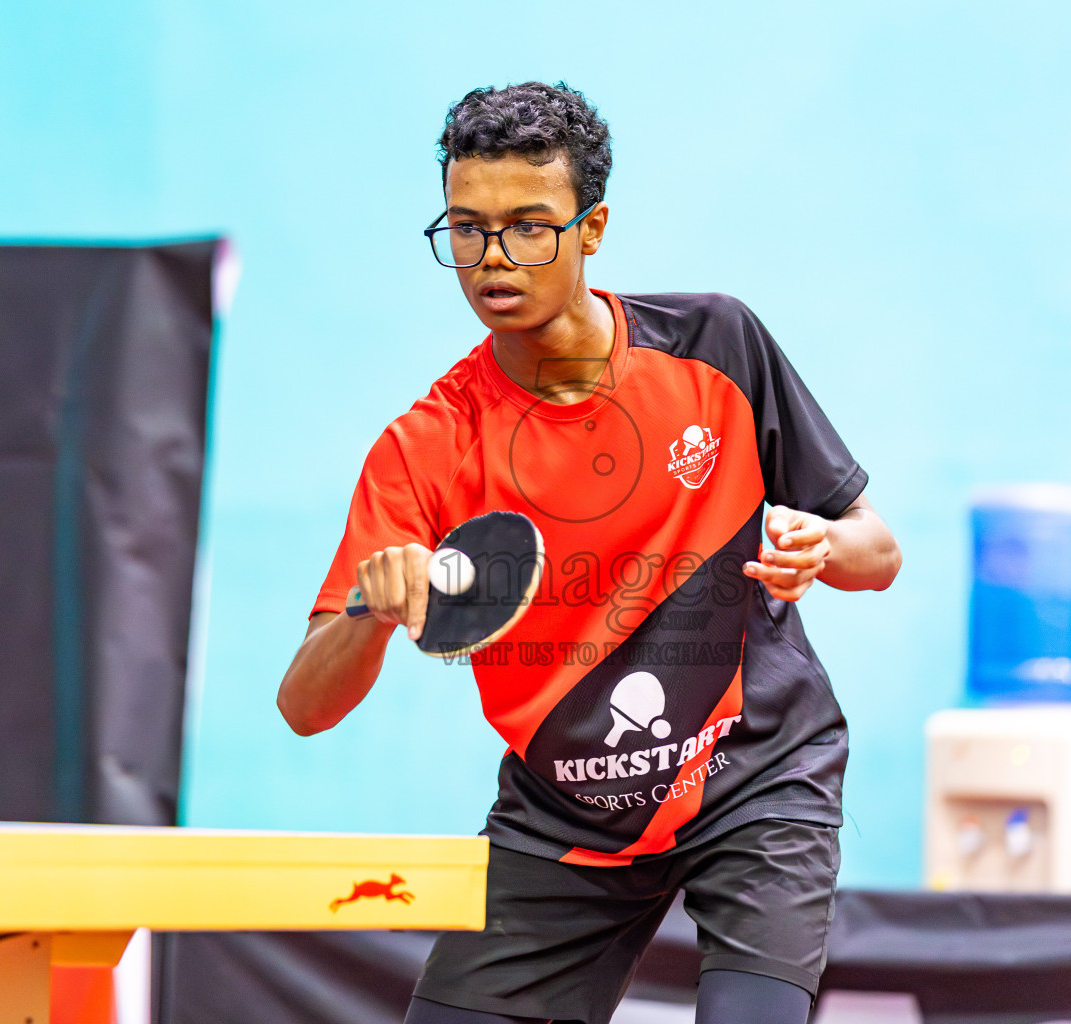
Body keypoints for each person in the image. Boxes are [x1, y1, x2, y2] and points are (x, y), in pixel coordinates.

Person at [277, 81, 901, 1024]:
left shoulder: (716, 347)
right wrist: (370, 611)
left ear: (592, 228)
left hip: (757, 776)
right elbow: (304, 707)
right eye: (467, 229)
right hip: (564, 816)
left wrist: (825, 547)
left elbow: (878, 552)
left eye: (529, 226)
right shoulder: (426, 447)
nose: (494, 258)